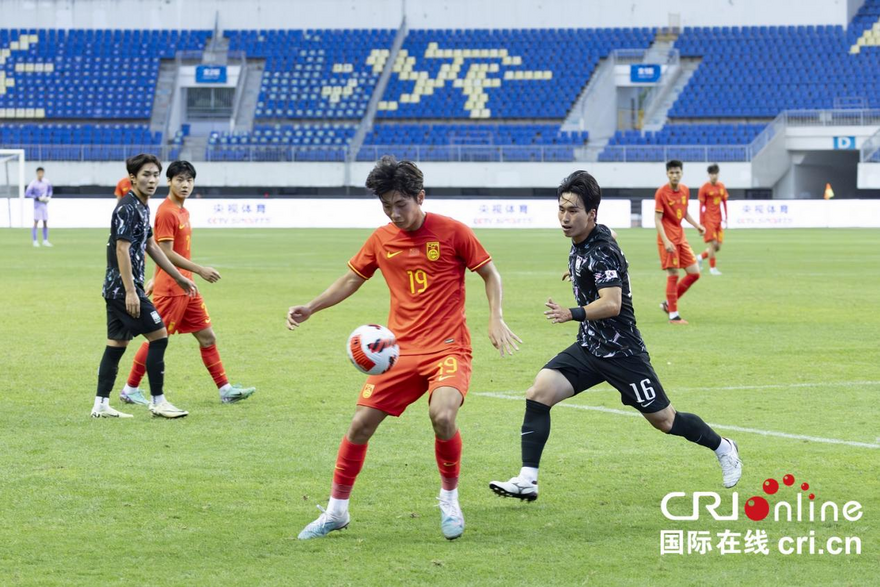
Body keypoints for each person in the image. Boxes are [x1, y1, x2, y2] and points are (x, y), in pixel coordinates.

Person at [288, 156, 521, 541]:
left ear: (420, 197)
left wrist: (495, 316)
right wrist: (311, 307)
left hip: (448, 348)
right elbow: (352, 279)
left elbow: (489, 273)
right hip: (397, 352)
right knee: (360, 426)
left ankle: (449, 500)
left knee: (443, 415)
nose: (394, 213)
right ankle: (336, 512)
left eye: (401, 204)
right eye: (386, 206)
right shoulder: (381, 239)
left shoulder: (453, 232)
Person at [488, 171, 742, 503]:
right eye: (562, 209)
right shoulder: (591, 239)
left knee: (665, 421)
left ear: (591, 214)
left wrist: (572, 312)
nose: (565, 217)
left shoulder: (601, 251)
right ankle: (527, 480)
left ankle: (723, 447)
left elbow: (611, 304)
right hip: (590, 347)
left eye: (573, 211)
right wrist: (579, 273)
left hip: (622, 353)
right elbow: (610, 240)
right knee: (539, 393)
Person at [119, 161, 255, 406]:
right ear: (169, 182)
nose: (185, 185)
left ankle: (225, 390)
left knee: (207, 337)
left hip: (186, 287)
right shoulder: (167, 211)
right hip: (173, 289)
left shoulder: (182, 210)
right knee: (157, 338)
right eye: (179, 180)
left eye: (189, 180)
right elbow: (165, 251)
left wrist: (153, 276)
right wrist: (199, 269)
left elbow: (160, 251)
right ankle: (130, 388)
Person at [91, 154, 197, 419]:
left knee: (116, 344)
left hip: (117, 288)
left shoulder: (142, 206)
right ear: (133, 178)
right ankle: (158, 401)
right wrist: (130, 291)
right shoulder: (127, 207)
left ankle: (101, 404)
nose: (151, 180)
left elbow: (151, 245)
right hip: (122, 289)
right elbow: (122, 248)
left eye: (155, 175)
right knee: (159, 336)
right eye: (146, 175)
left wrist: (179, 277)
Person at [655, 160, 705, 325]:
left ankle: (669, 304)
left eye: (677, 172)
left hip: (680, 238)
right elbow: (657, 219)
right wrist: (666, 240)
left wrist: (697, 225)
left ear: (682, 173)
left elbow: (684, 213)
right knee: (673, 274)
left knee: (694, 272)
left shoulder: (685, 190)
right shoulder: (662, 193)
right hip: (668, 240)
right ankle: (673, 316)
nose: (675, 175)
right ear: (667, 174)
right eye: (671, 173)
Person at [697, 164, 728, 276]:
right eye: (712, 174)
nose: (714, 176)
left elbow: (724, 202)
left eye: (716, 173)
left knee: (718, 247)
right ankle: (712, 269)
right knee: (713, 244)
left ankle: (699, 258)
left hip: (718, 219)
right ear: (708, 175)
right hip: (708, 219)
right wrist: (701, 223)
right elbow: (701, 206)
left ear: (718, 174)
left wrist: (726, 217)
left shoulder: (721, 187)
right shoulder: (704, 188)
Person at [25, 167, 53, 247]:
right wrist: (36, 197)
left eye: (42, 173)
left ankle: (45, 240)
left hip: (44, 204)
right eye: (39, 173)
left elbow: (50, 191)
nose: (40, 174)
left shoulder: (47, 182)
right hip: (37, 205)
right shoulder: (33, 183)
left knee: (45, 222)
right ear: (37, 173)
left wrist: (48, 197)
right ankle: (35, 241)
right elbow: (27, 194)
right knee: (36, 222)